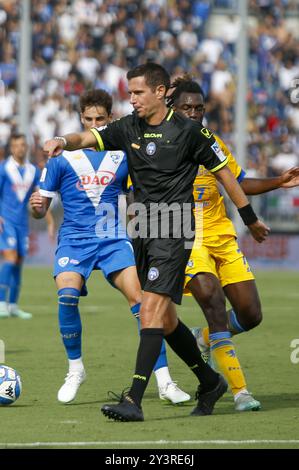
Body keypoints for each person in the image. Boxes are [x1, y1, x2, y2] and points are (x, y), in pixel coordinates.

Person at [43, 63, 269, 422]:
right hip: (142, 231)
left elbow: (226, 174)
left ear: (161, 92)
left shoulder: (191, 132)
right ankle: (209, 381)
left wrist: (250, 218)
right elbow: (87, 138)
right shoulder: (128, 126)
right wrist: (62, 141)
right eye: (130, 93)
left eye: (137, 93)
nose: (131, 99)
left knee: (148, 311)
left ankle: (133, 399)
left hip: (174, 230)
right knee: (164, 321)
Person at [30, 88, 190, 405]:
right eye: (87, 119)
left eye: (99, 119)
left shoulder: (122, 153)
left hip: (112, 234)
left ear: (109, 118)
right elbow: (41, 207)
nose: (93, 124)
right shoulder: (62, 157)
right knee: (67, 295)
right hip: (75, 238)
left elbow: (140, 192)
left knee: (143, 303)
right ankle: (76, 368)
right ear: (80, 119)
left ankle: (164, 381)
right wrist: (36, 207)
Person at [168, 74, 299, 411]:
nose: (195, 113)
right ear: (173, 108)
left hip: (222, 236)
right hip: (187, 239)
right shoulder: (159, 146)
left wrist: (277, 182)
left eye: (199, 108)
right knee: (214, 306)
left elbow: (236, 182)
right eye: (187, 108)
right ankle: (240, 392)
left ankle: (202, 339)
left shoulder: (212, 143)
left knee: (251, 314)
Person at [0, 133, 54, 319]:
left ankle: (13, 304)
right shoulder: (4, 169)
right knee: (10, 258)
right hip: (6, 221)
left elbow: (40, 199)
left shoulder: (33, 171)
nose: (20, 148)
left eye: (23, 144)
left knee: (18, 262)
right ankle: (1, 303)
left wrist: (50, 221)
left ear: (27, 147)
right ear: (11, 148)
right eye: (16, 145)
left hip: (23, 223)